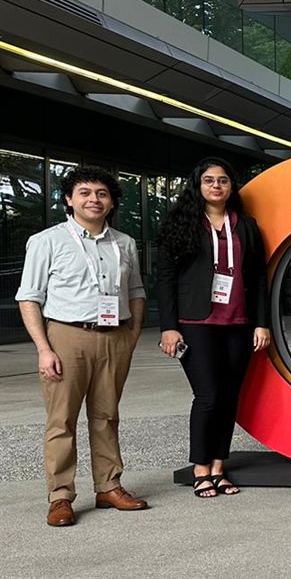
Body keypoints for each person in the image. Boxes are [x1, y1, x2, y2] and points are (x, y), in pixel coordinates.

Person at [16, 167, 149, 526]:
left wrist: (133, 333)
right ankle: (60, 496)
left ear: (111, 201)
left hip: (115, 337)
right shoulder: (47, 241)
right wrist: (44, 349)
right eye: (86, 192)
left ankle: (109, 486)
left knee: (107, 416)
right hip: (66, 336)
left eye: (102, 193)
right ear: (69, 199)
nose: (94, 199)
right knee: (62, 420)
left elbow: (135, 291)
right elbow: (29, 298)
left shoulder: (124, 243)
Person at [156, 157, 273, 499]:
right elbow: (164, 278)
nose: (216, 186)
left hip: (238, 323)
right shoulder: (182, 223)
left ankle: (219, 465)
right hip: (196, 324)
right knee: (207, 396)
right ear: (198, 185)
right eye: (209, 180)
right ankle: (200, 468)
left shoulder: (246, 225)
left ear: (231, 186)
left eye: (223, 180)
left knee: (228, 397)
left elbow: (259, 278)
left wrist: (262, 322)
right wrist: (168, 327)